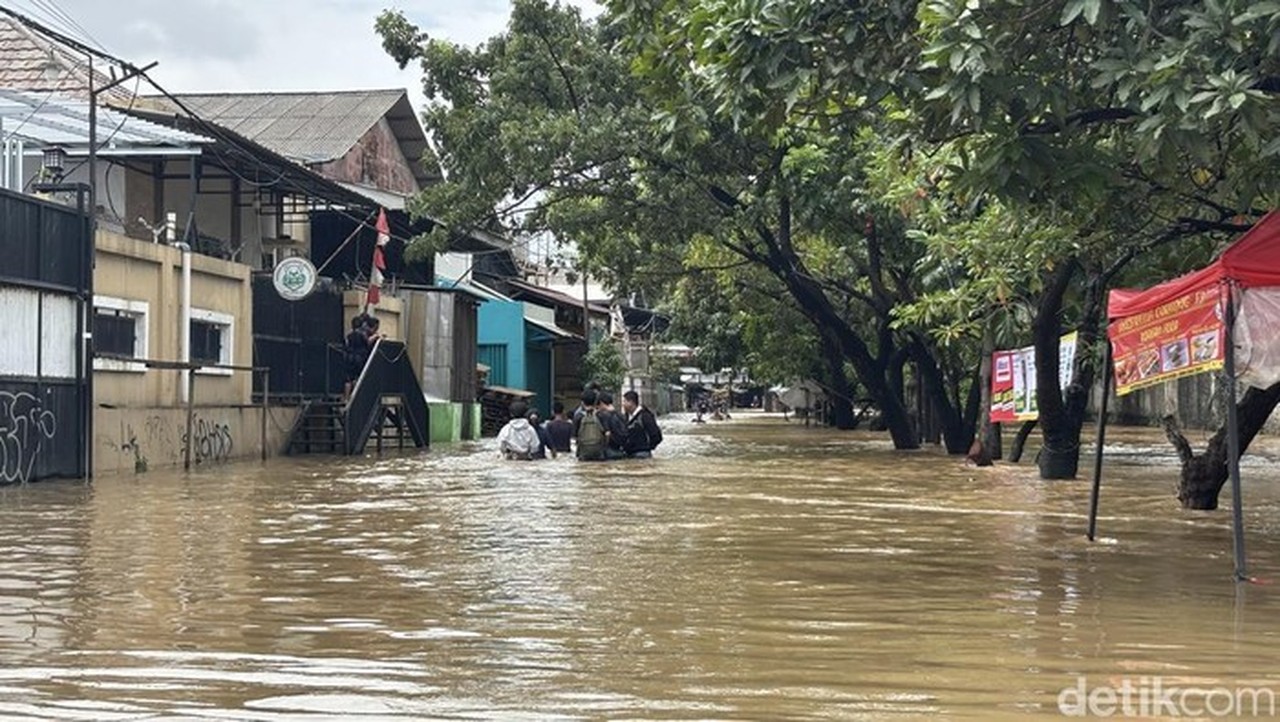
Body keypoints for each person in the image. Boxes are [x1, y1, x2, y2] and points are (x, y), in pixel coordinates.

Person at [621, 390, 663, 459]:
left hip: (642, 454)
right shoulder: (626, 417)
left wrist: (647, 447)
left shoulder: (645, 416)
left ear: (631, 402)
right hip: (629, 454)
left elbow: (656, 435)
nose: (623, 404)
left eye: (625, 401)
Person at [343, 315, 371, 401]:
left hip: (349, 358)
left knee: (348, 379)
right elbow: (368, 343)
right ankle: (354, 398)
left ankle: (346, 399)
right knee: (357, 378)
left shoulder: (349, 336)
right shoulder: (362, 335)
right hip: (359, 358)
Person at [573, 389, 607, 461]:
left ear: (582, 402)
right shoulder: (601, 415)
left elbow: (575, 436)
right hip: (599, 453)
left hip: (583, 453)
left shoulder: (578, 416)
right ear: (595, 401)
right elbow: (607, 434)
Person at [595, 391, 629, 460]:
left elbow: (607, 434)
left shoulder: (603, 415)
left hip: (609, 452)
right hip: (622, 451)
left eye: (598, 405)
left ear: (601, 403)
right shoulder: (621, 415)